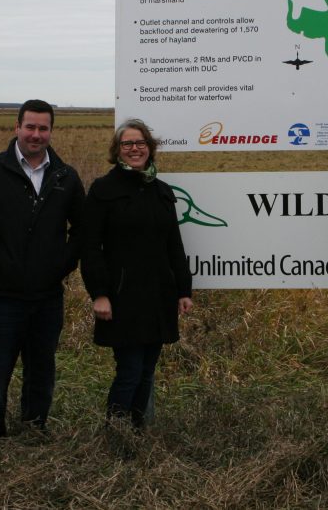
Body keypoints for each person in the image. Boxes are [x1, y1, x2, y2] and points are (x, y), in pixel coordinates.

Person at [0, 99, 85, 445]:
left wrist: (63, 262)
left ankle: (34, 429)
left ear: (51, 131)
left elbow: (83, 228)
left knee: (41, 370)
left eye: (43, 128)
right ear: (17, 127)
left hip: (47, 296)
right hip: (1, 295)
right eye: (30, 127)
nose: (36, 134)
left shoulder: (65, 176)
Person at [80, 119, 193, 430]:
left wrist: (184, 290)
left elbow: (174, 244)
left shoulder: (162, 191)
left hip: (158, 295)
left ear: (150, 148)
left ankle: (138, 433)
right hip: (121, 296)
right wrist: (99, 293)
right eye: (127, 144)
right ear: (117, 151)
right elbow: (90, 247)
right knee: (129, 370)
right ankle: (118, 436)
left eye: (140, 143)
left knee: (146, 371)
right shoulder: (104, 190)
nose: (135, 149)